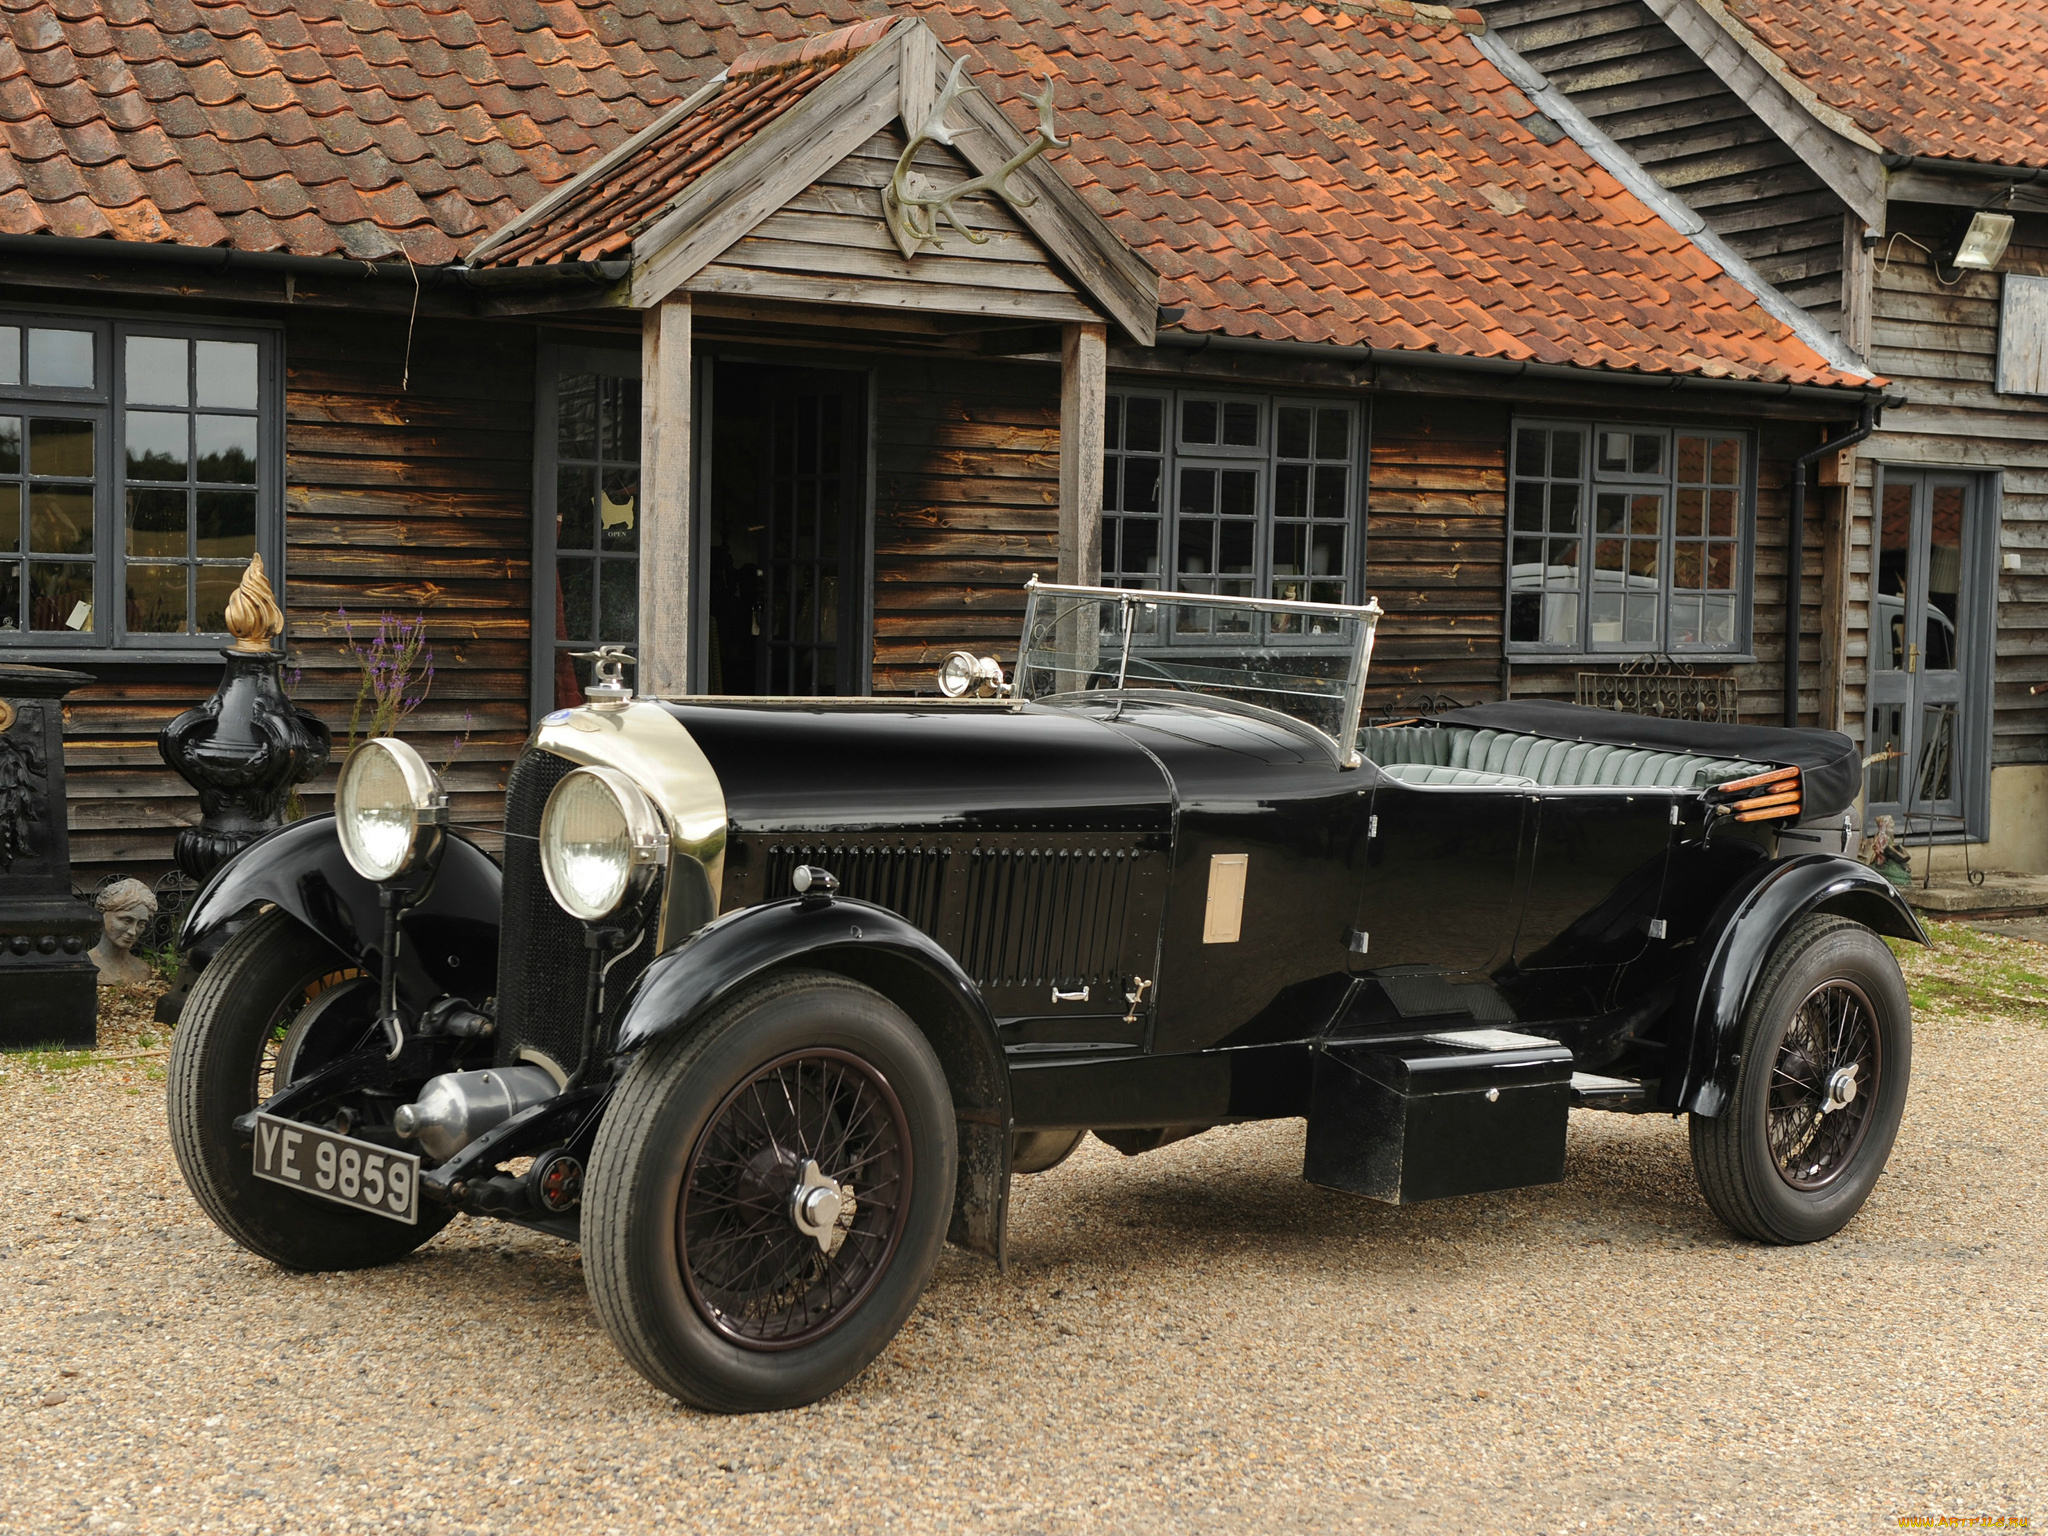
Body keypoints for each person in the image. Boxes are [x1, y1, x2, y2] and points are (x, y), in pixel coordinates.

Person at [90, 878, 158, 987]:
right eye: (126, 920)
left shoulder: (142, 969)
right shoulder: (86, 966)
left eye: (141, 923)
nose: (133, 931)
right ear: (102, 915)